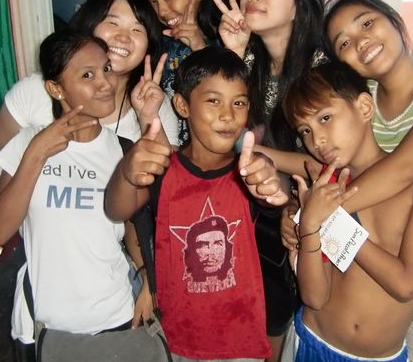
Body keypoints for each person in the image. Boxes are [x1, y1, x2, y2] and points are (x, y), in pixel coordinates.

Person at [282, 0, 413, 361]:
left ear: (394, 19)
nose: (360, 41)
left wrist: (316, 217)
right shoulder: (364, 96)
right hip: (364, 254)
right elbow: (329, 163)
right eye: (344, 42)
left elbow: (403, 168)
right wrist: (303, 214)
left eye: (366, 23)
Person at [0, 0, 179, 263]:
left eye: (137, 29)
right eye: (113, 23)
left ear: (149, 44)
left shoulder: (157, 105)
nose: (124, 37)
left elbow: (167, 192)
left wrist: (147, 118)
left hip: (119, 256)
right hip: (47, 252)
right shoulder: (37, 91)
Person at [0, 29, 166, 361]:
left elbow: (133, 224)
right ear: (56, 89)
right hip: (44, 325)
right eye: (88, 75)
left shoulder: (123, 149)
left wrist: (146, 280)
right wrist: (36, 154)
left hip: (116, 316)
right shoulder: (28, 143)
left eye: (106, 69)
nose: (106, 83)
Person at [105, 46, 289, 361]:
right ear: (182, 105)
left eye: (239, 103)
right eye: (213, 101)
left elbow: (274, 188)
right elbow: (116, 209)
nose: (228, 115)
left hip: (240, 342)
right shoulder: (165, 171)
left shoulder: (247, 170)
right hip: (176, 340)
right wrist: (125, 171)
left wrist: (273, 181)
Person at [280, 61, 413, 362]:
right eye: (305, 130)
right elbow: (314, 297)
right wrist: (308, 229)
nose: (316, 140)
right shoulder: (324, 187)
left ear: (364, 107)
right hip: (310, 340)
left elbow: (405, 285)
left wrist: (327, 220)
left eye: (325, 118)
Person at [207, 0, 325, 360]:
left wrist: (259, 156)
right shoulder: (251, 64)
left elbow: (326, 164)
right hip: (252, 219)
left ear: (299, 5)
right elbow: (221, 130)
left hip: (300, 226)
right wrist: (233, 52)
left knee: (279, 330)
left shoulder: (320, 71)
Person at [139, 0, 222, 97]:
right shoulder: (153, 43)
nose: (161, 11)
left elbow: (226, 94)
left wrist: (199, 47)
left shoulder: (225, 37)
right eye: (153, 1)